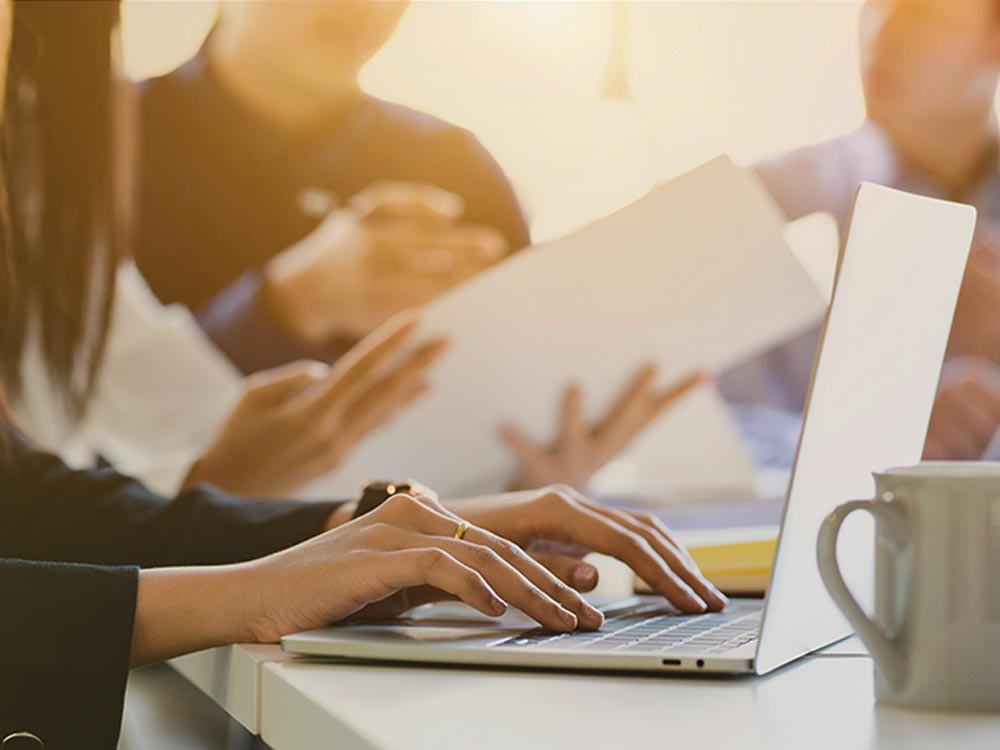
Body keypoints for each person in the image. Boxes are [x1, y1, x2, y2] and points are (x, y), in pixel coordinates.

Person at [3, 0, 693, 501]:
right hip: (211, 581)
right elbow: (98, 425)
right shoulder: (85, 145)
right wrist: (286, 304)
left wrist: (548, 475)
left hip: (429, 565)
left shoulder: (459, 163)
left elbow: (531, 385)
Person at [134, 0, 528, 374]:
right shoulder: (99, 150)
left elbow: (527, 370)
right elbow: (92, 414)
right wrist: (291, 305)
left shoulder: (459, 167)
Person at [748, 0, 1000, 460]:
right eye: (879, 8)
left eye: (923, 15)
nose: (884, 36)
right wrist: (877, 431)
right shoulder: (787, 194)